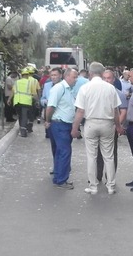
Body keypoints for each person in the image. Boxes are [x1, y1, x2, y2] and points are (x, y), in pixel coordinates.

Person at [71, 62, 124, 195]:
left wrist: (75, 128)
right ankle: (111, 186)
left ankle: (93, 186)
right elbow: (116, 111)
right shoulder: (110, 88)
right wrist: (118, 126)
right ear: (102, 73)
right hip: (107, 123)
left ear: (90, 73)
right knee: (109, 156)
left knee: (91, 156)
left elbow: (80, 111)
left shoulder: (85, 88)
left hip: (90, 123)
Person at [45, 68, 78, 189]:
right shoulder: (59, 88)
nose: (76, 79)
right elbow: (50, 107)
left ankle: (58, 177)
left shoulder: (69, 89)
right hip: (60, 124)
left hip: (65, 124)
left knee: (60, 152)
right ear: (67, 76)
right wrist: (47, 121)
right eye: (74, 77)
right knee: (64, 152)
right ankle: (61, 180)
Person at [97, 69, 128, 182]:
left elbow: (123, 111)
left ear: (113, 79)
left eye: (108, 78)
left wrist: (117, 125)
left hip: (112, 127)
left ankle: (110, 177)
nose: (106, 80)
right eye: (104, 78)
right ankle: (97, 175)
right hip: (99, 126)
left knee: (111, 153)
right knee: (97, 152)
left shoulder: (119, 94)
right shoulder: (98, 93)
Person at [9, 68, 38, 137]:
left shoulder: (16, 82)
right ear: (27, 75)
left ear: (21, 75)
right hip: (26, 102)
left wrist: (9, 99)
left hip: (17, 101)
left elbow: (13, 92)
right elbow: (34, 93)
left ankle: (22, 128)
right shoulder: (30, 83)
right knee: (24, 116)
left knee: (20, 116)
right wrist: (37, 101)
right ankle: (23, 131)